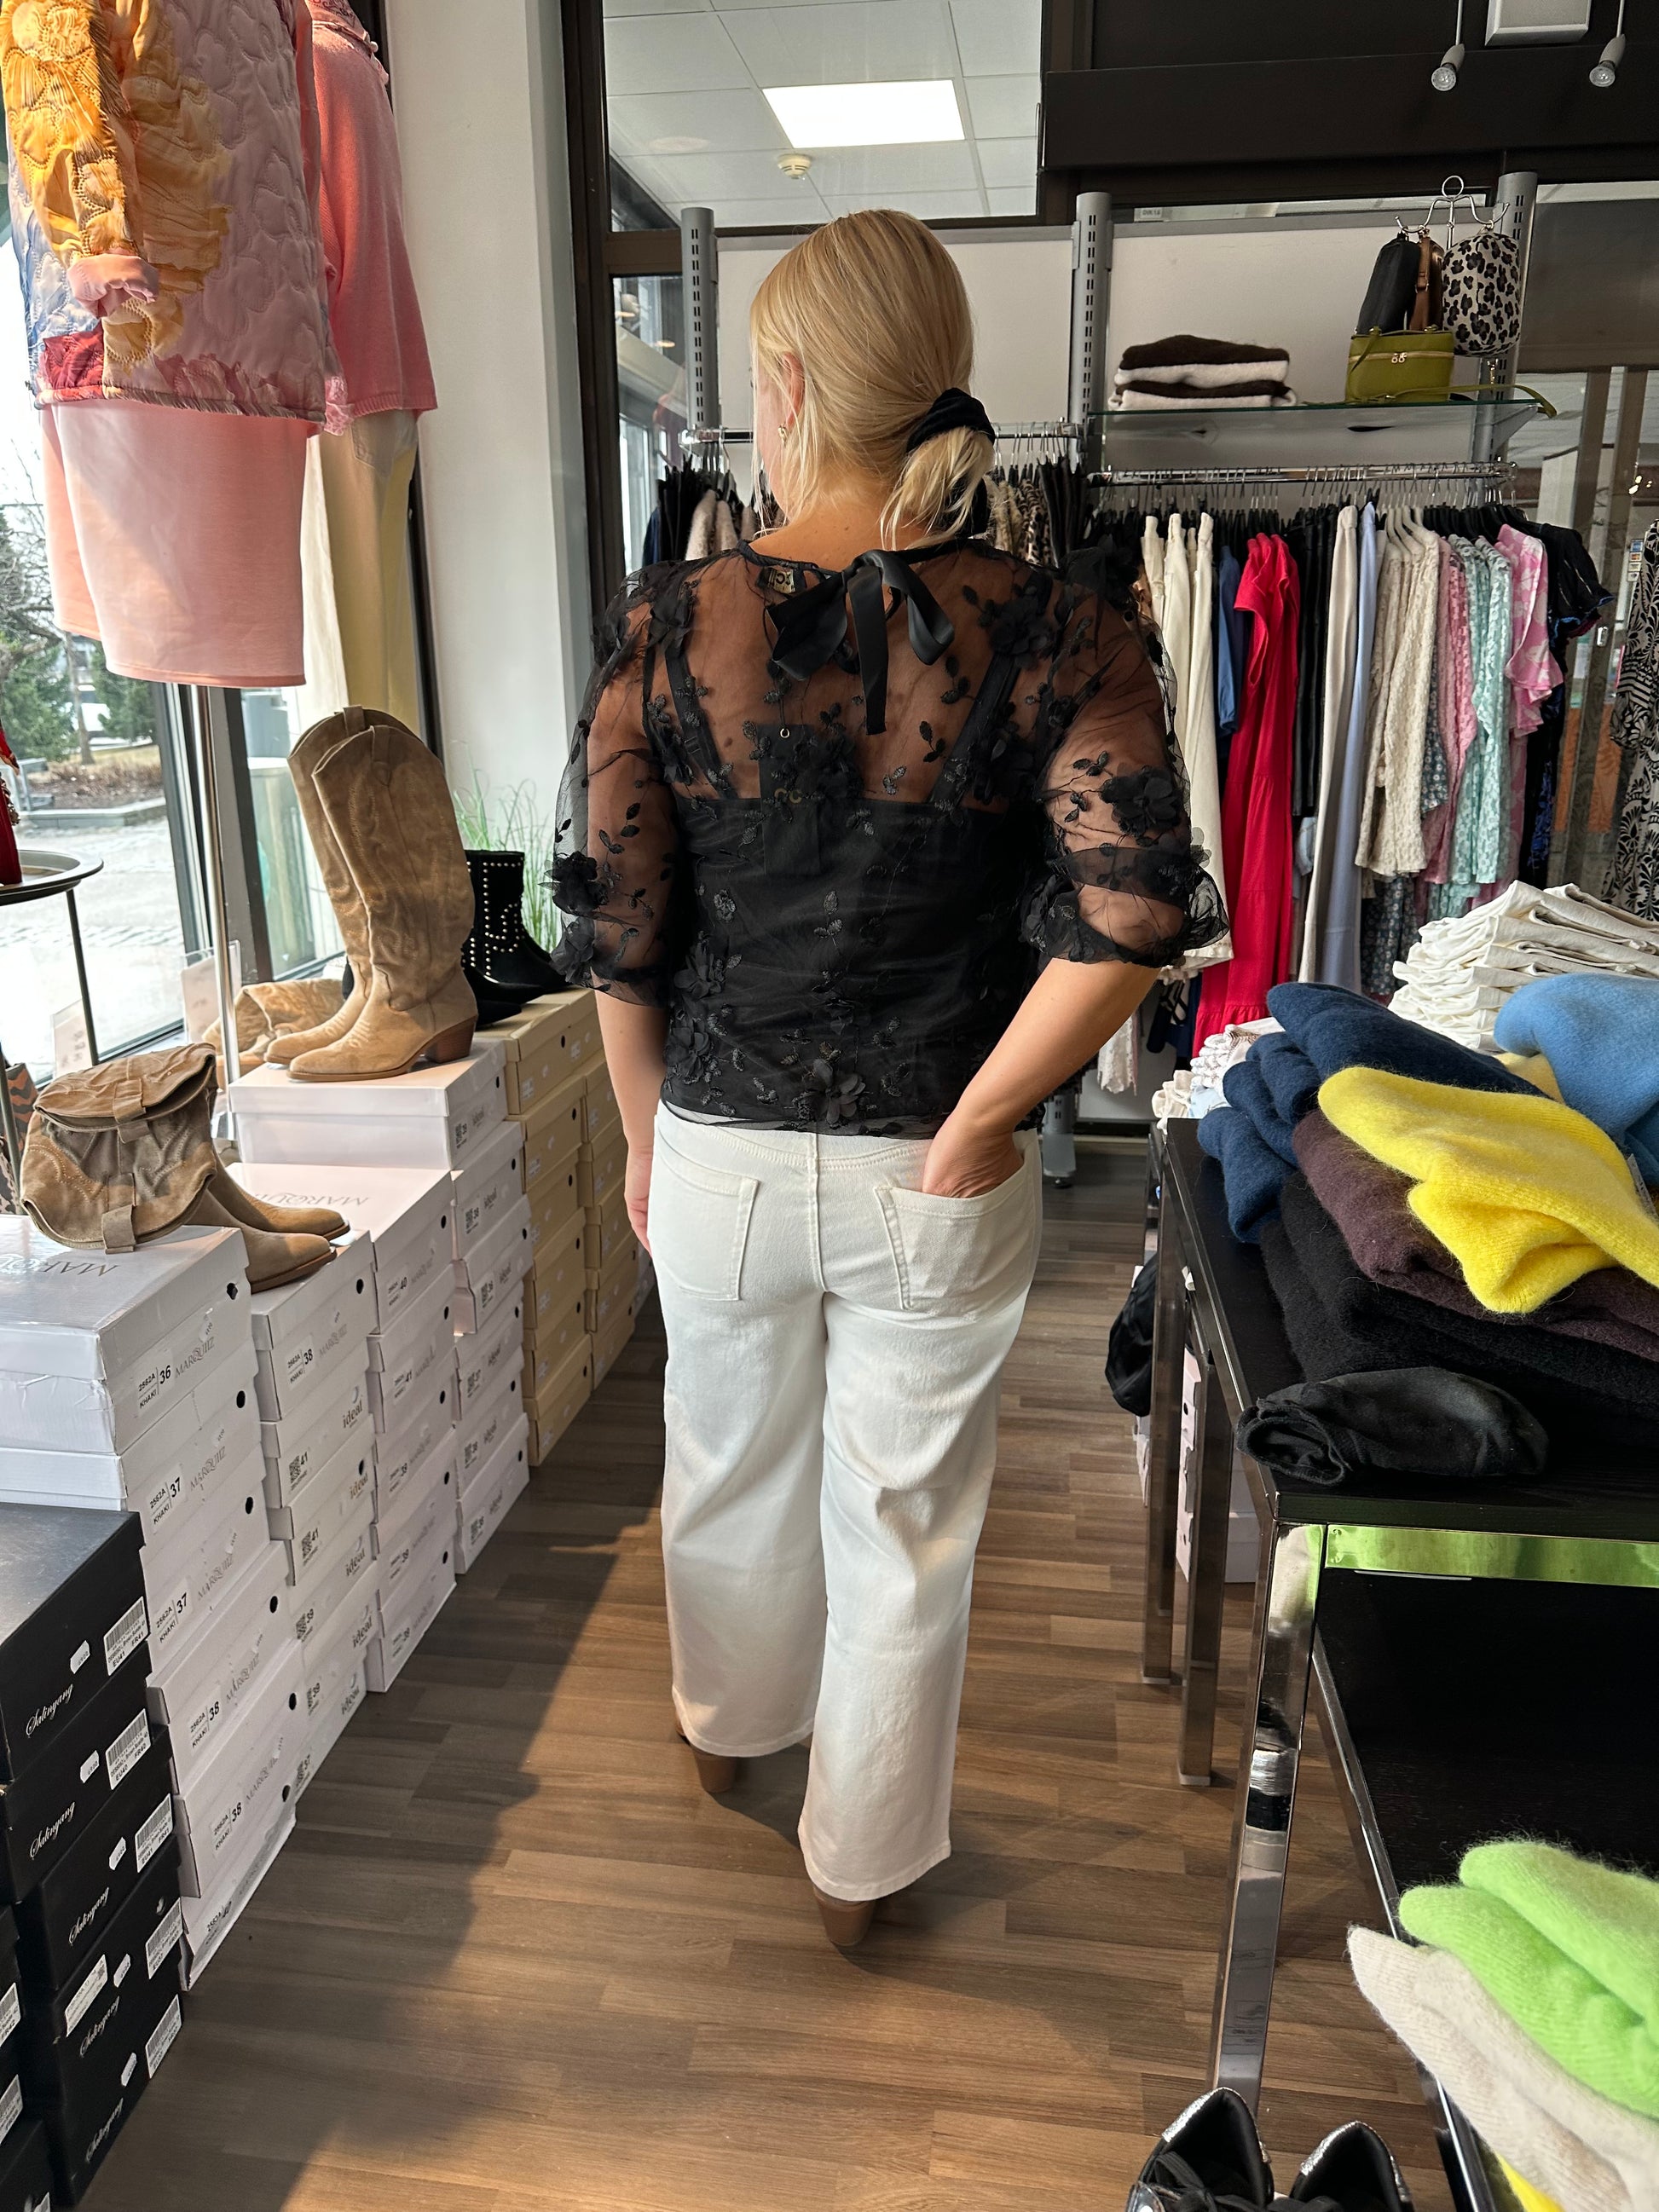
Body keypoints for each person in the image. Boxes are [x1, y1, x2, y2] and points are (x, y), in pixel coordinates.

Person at [552, 209, 1223, 1949]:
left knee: (723, 1458)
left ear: (783, 385)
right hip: (937, 1156)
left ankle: (728, 1729)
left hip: (719, 1136)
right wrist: (989, 1118)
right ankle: (858, 1869)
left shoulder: (669, 621)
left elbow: (620, 917)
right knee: (903, 1523)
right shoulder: (1062, 624)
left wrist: (641, 1138)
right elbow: (1132, 910)